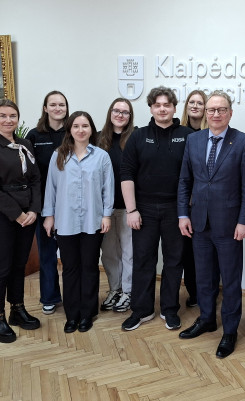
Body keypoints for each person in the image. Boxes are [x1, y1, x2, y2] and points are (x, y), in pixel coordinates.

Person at [178, 90, 245, 359]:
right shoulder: (194, 140)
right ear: (205, 113)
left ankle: (230, 331)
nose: (216, 114)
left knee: (230, 280)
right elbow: (185, 180)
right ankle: (207, 319)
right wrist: (182, 214)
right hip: (199, 222)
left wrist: (244, 221)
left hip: (230, 224)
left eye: (221, 109)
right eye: (211, 109)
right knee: (204, 277)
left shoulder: (243, 142)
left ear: (230, 113)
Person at [120, 87, 193, 331]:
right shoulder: (138, 136)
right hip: (144, 209)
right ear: (151, 108)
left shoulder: (188, 136)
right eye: (157, 105)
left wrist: (187, 209)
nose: (162, 109)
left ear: (174, 108)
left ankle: (170, 309)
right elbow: (127, 173)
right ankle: (142, 310)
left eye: (167, 105)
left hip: (176, 209)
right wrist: (131, 210)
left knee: (174, 261)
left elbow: (195, 174)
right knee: (143, 260)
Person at [0, 98, 42, 343]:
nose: (8, 120)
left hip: (27, 214)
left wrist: (34, 210)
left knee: (19, 265)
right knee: (1, 268)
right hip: (1, 215)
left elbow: (35, 179)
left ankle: (17, 309)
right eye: (2, 116)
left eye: (12, 116)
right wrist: (18, 214)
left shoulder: (25, 144)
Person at [42, 111, 114, 333]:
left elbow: (108, 188)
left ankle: (88, 313)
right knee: (70, 268)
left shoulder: (101, 156)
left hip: (93, 221)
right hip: (65, 221)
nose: (80, 130)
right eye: (76, 126)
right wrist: (49, 216)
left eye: (85, 126)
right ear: (70, 130)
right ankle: (72, 315)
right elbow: (51, 188)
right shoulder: (58, 155)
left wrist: (106, 215)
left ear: (91, 129)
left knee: (90, 267)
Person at [26, 90, 69, 315]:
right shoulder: (34, 136)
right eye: (53, 104)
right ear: (45, 108)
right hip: (44, 206)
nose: (57, 108)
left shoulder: (72, 132)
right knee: (47, 254)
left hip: (70, 205)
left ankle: (73, 296)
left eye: (61, 104)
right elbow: (30, 174)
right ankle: (50, 297)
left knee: (70, 256)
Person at [98, 98, 135, 313]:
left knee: (129, 252)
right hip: (105, 208)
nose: (120, 115)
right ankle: (115, 289)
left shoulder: (135, 138)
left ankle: (128, 291)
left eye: (125, 112)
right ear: (110, 112)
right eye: (116, 110)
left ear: (130, 116)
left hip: (127, 206)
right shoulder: (98, 139)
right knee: (109, 253)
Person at [179, 89, 209, 308]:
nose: (195, 106)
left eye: (200, 102)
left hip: (205, 203)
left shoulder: (212, 134)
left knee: (206, 253)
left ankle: (207, 291)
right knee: (187, 253)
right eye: (192, 102)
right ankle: (194, 292)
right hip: (184, 204)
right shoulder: (179, 133)